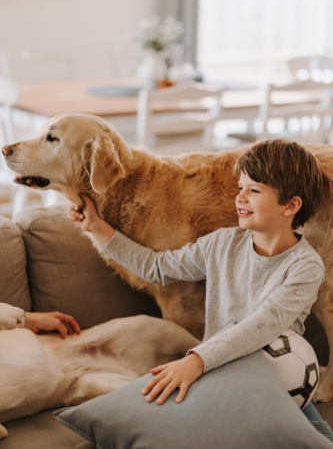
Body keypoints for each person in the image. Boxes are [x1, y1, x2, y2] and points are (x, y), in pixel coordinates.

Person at [68, 140, 328, 411]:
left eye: (254, 190)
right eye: (240, 188)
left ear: (290, 206)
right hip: (219, 371)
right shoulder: (222, 243)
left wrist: (197, 360)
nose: (239, 197)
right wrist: (96, 227)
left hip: (276, 379)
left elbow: (264, 324)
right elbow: (157, 267)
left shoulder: (306, 267)